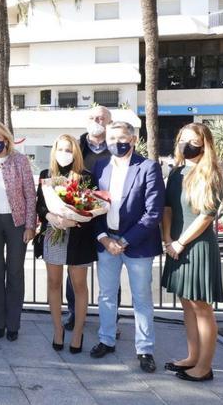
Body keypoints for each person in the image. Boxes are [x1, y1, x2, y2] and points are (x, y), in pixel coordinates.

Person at [89, 121, 165, 374]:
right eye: (111, 138)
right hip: (106, 243)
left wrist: (124, 241)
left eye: (121, 138)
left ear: (133, 139)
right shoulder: (100, 167)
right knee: (106, 296)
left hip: (137, 245)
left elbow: (152, 213)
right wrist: (104, 238)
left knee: (141, 299)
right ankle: (106, 340)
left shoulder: (148, 167)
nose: (116, 143)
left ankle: (145, 349)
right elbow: (93, 209)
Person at [161, 122, 223, 382]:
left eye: (192, 141)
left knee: (202, 307)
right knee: (186, 303)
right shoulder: (176, 173)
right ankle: (192, 357)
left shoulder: (210, 173)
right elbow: (167, 208)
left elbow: (206, 216)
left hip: (197, 247)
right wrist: (167, 239)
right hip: (176, 245)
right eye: (182, 140)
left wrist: (180, 242)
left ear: (204, 144)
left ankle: (204, 367)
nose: (185, 145)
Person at [34, 135, 97, 354]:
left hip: (79, 239)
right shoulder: (46, 176)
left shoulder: (87, 177)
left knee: (79, 286)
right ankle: (58, 329)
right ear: (54, 151)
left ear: (76, 153)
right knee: (53, 283)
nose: (64, 154)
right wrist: (51, 217)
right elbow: (39, 207)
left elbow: (93, 209)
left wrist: (76, 218)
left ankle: (78, 332)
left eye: (68, 150)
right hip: (54, 235)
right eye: (60, 149)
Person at [0, 122, 36, 342]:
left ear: (7, 139)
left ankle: (13, 324)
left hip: (16, 222)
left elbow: (31, 194)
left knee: (15, 272)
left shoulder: (19, 160)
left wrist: (30, 225)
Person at [65, 105, 114, 330]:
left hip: (109, 218)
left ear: (109, 122)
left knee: (110, 276)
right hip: (78, 218)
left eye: (102, 118)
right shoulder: (75, 147)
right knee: (74, 272)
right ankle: (75, 314)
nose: (98, 121)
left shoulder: (117, 146)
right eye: (93, 117)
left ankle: (110, 321)